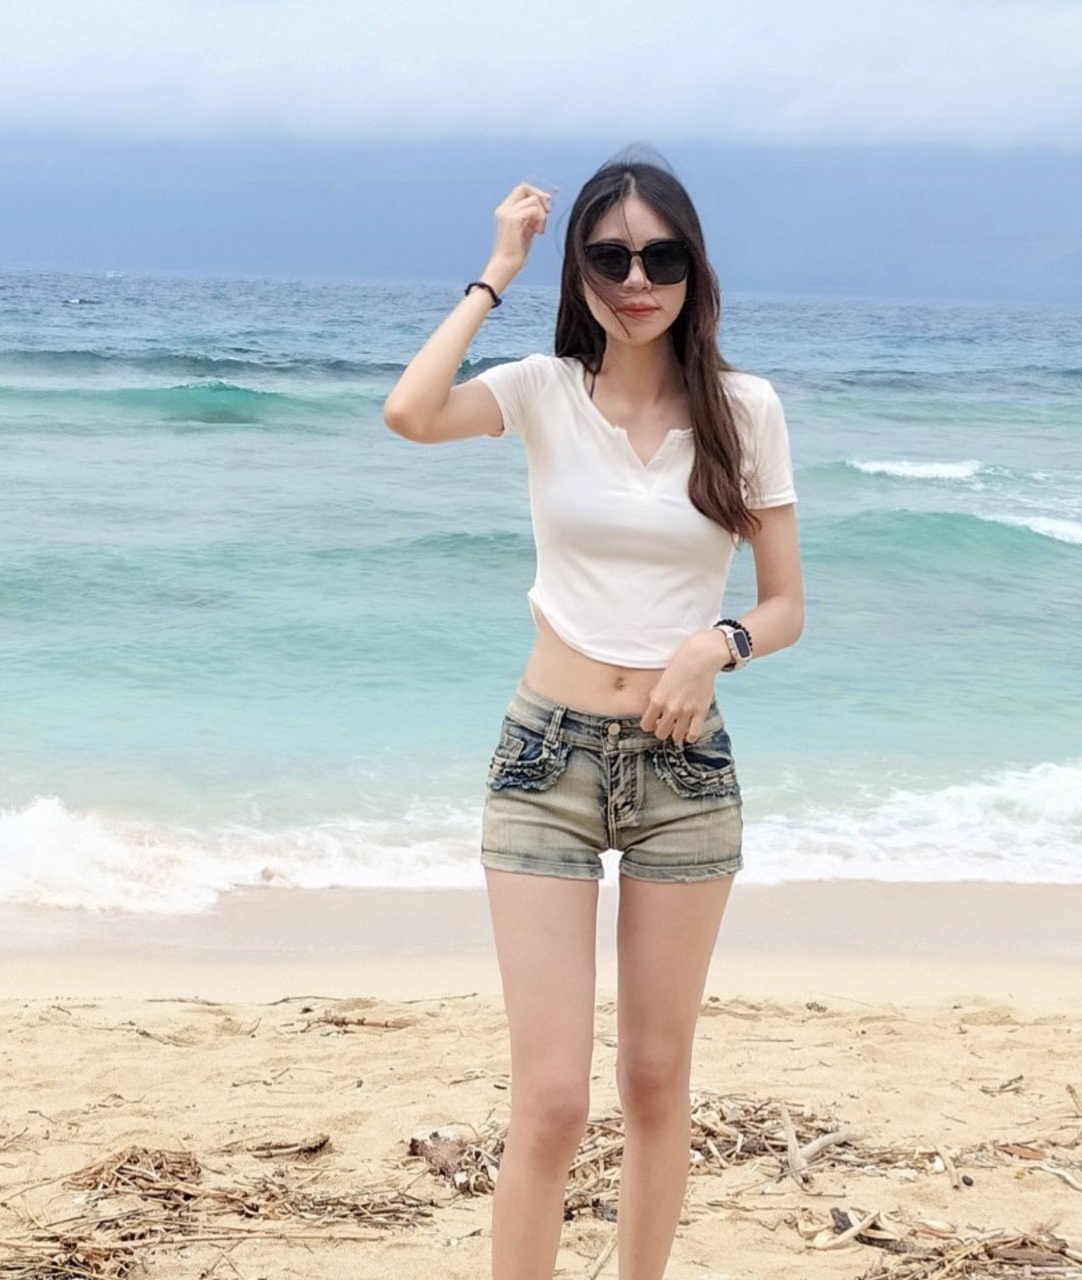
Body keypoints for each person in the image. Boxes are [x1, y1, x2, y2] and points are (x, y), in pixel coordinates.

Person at [382, 153, 804, 1280]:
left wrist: (715, 644)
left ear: (692, 268)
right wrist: (495, 271)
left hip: (682, 771)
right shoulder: (539, 389)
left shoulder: (745, 409)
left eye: (659, 257)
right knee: (553, 1099)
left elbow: (784, 605)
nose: (635, 281)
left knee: (656, 1080)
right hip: (544, 765)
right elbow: (408, 411)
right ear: (578, 270)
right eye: (609, 257)